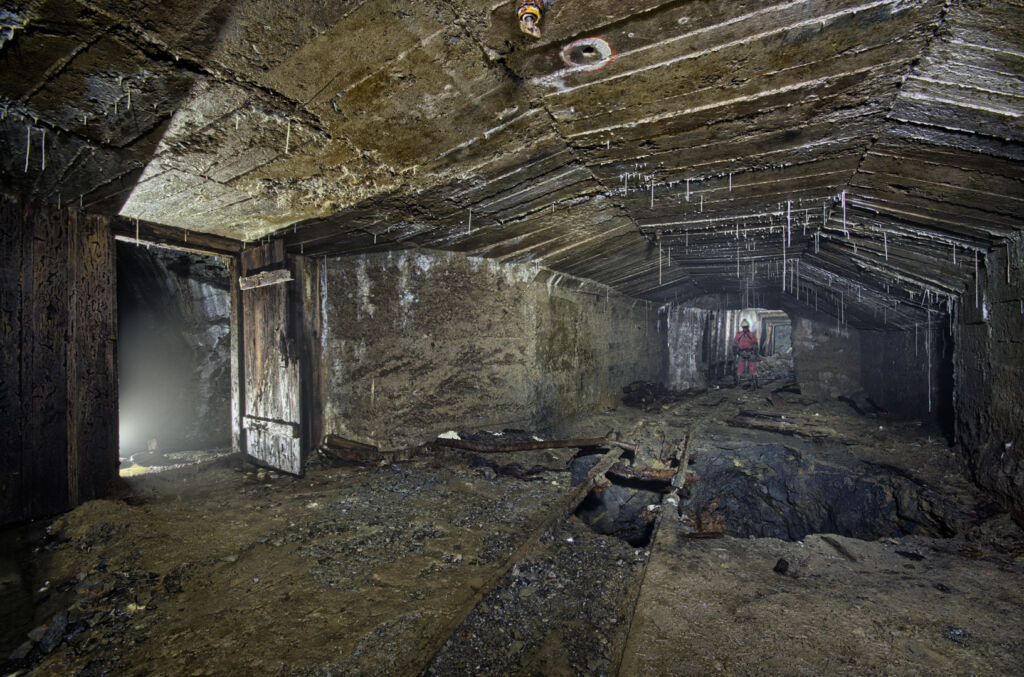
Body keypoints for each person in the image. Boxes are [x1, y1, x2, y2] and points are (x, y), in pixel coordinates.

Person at [732, 318, 759, 388]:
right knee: (743, 368)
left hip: (747, 353)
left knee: (747, 368)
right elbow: (755, 345)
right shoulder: (749, 334)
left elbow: (734, 345)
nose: (745, 329)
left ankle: (739, 384)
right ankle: (755, 385)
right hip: (746, 353)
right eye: (744, 327)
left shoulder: (740, 334)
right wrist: (756, 354)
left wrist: (736, 353)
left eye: (745, 327)